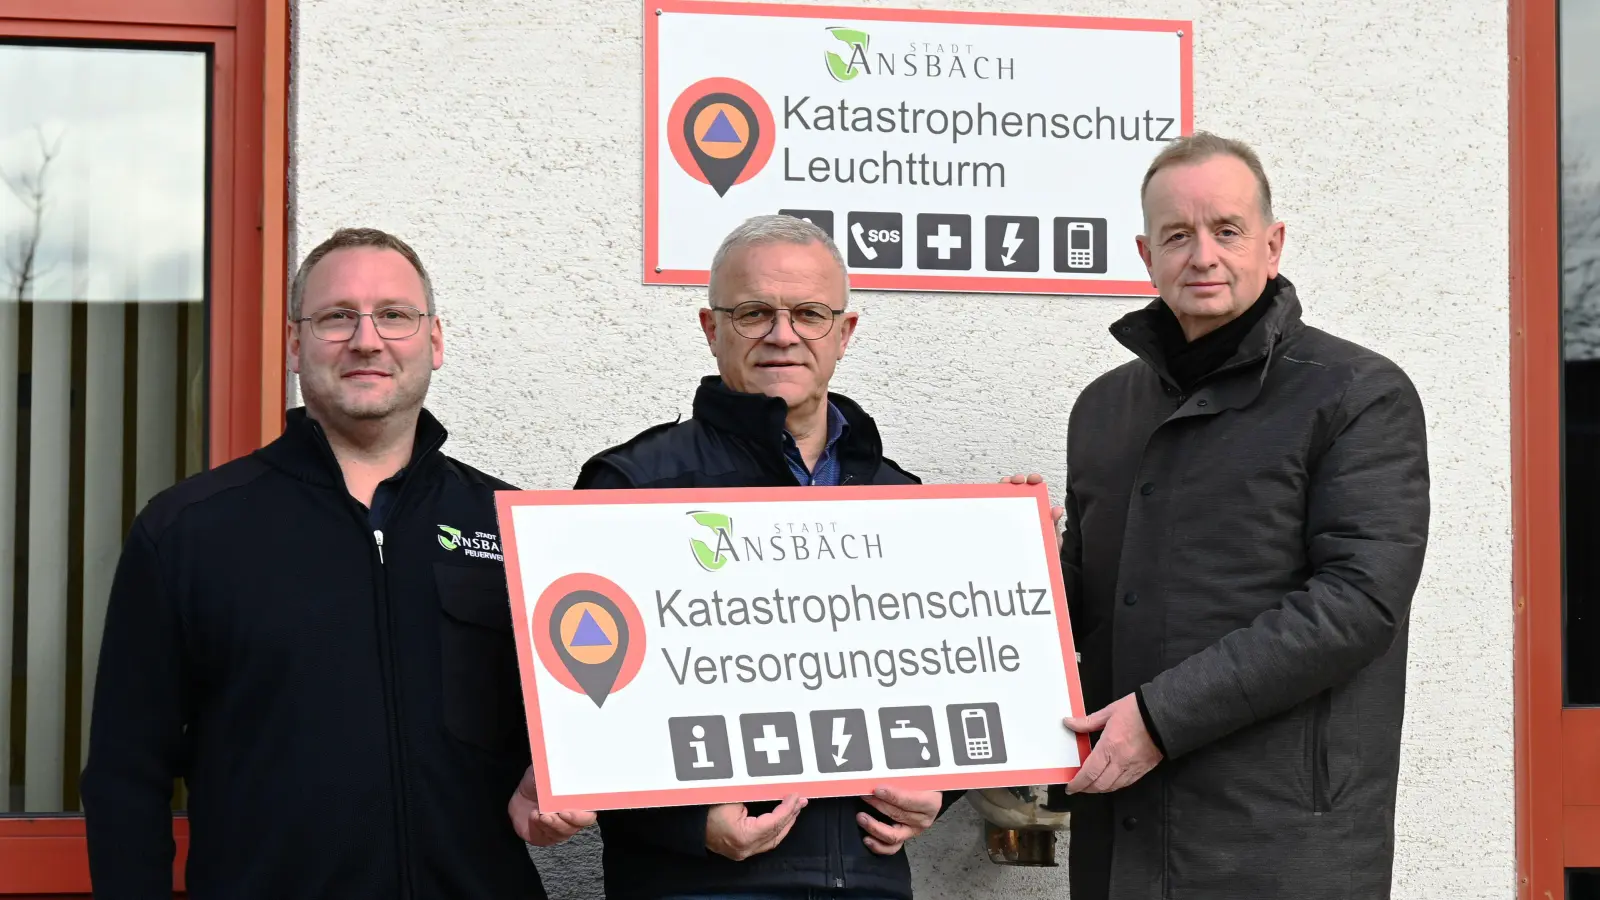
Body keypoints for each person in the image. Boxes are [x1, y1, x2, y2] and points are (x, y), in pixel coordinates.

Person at [81, 227, 581, 899]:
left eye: (395, 315)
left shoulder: (513, 526)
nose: (367, 340)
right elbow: (125, 772)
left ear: (434, 340)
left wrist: (548, 784)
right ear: (295, 344)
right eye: (336, 317)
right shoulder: (188, 531)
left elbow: (567, 722)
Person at [1052, 132, 1430, 899]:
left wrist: (1159, 719)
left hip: (1282, 845)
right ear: (1144, 252)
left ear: (1272, 242)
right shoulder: (1103, 409)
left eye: (1226, 230)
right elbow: (1086, 605)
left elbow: (1359, 602)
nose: (1203, 255)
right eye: (1177, 235)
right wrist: (1015, 560)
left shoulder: (1357, 394)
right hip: (1124, 842)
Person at [569, 214, 955, 900]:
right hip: (698, 886)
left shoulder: (903, 501)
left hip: (865, 881)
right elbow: (579, 707)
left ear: (846, 332)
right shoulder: (632, 486)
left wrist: (942, 793)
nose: (783, 334)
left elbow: (953, 685)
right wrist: (688, 821)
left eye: (809, 313)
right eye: (754, 313)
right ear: (711, 328)